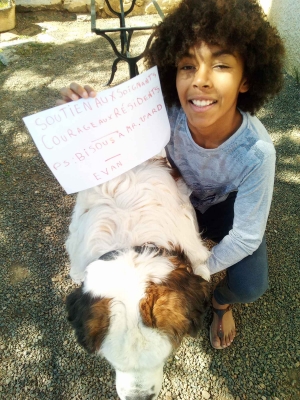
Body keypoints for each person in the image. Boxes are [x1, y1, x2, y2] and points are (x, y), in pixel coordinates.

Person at [57, 0, 285, 350]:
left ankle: (220, 302)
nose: (201, 80)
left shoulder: (257, 153)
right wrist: (83, 115)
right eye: (187, 65)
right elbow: (115, 132)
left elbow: (246, 237)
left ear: (247, 79)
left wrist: (194, 269)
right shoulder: (165, 112)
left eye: (221, 65)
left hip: (222, 208)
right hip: (174, 204)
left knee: (251, 285)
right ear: (172, 73)